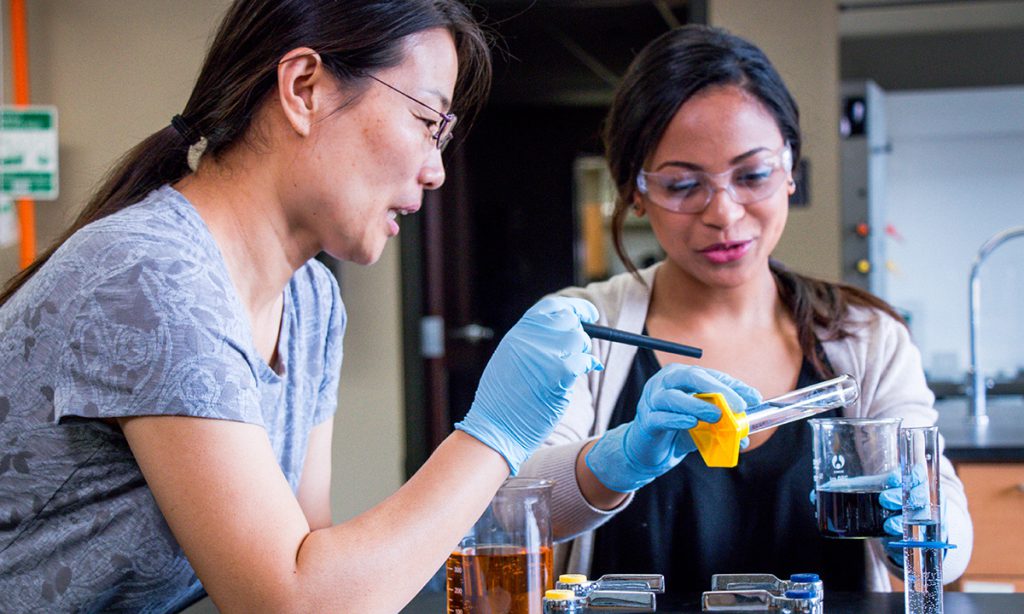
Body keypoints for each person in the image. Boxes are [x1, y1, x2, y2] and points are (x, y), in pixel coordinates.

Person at [0, 3, 759, 611]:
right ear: (304, 88)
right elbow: (296, 603)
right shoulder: (153, 275)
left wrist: (607, 463)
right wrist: (493, 433)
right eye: (428, 122)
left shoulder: (310, 302)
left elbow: (330, 568)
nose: (435, 171)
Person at [519, 24, 973, 594]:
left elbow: (945, 536)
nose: (725, 214)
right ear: (635, 190)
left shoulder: (866, 337)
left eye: (752, 175)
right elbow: (519, 511)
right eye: (684, 185)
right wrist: (612, 463)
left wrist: (922, 529)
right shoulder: (581, 327)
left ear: (789, 169)